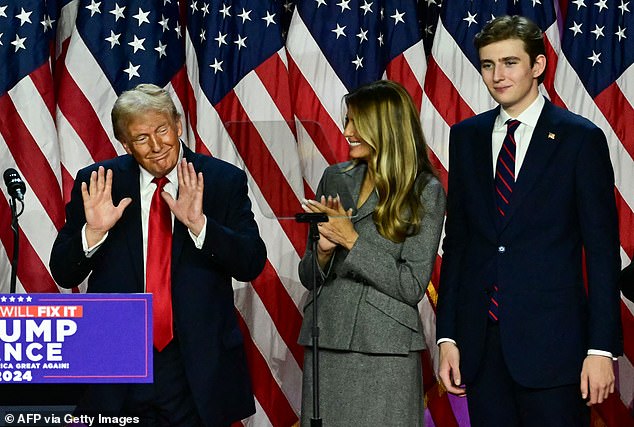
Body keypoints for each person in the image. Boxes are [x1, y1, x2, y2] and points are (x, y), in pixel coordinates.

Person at [436, 15, 622, 427]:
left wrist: (601, 348)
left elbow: (603, 251)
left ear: (537, 66)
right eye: (488, 65)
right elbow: (459, 244)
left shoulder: (579, 138)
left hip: (555, 350)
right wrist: (447, 336)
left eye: (509, 63)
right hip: (482, 347)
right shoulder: (466, 136)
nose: (497, 75)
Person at [50, 83, 267, 426]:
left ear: (178, 125)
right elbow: (64, 272)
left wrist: (201, 226)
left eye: (162, 130)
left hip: (193, 367)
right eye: (140, 138)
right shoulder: (98, 183)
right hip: (116, 362)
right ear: (124, 143)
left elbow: (251, 262)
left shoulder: (222, 180)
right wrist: (92, 233)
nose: (156, 146)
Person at [298, 80, 446, 426]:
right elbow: (309, 276)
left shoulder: (426, 190)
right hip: (328, 339)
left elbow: (411, 285)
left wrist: (352, 241)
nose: (346, 131)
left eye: (355, 123)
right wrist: (322, 250)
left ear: (384, 127)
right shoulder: (335, 177)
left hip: (387, 349)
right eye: (346, 120)